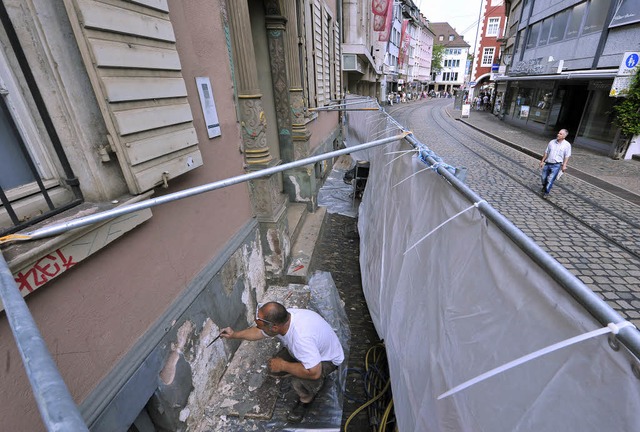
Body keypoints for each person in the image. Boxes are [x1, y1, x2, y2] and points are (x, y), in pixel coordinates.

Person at [220, 302, 344, 423]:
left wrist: (283, 365)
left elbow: (315, 372)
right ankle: (298, 366)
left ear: (274, 327)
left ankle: (306, 398)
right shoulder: (283, 318)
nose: (259, 328)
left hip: (326, 360)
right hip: (308, 351)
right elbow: (258, 332)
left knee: (298, 382)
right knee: (273, 369)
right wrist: (234, 335)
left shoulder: (301, 339)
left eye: (261, 325)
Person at [539, 129, 571, 198]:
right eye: (558, 133)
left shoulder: (567, 145)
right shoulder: (552, 142)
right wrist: (542, 161)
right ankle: (544, 186)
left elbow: (567, 156)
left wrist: (564, 165)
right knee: (543, 177)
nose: (558, 134)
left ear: (564, 136)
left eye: (560, 134)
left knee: (550, 180)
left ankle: (546, 193)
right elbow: (546, 152)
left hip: (556, 165)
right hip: (548, 163)